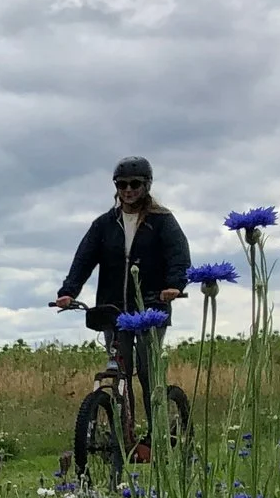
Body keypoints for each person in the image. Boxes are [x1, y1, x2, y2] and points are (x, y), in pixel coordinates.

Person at [52, 155, 189, 453]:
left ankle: (158, 438)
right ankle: (121, 439)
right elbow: (83, 259)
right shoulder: (103, 225)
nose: (128, 190)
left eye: (135, 184)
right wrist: (69, 291)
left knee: (146, 369)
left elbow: (179, 257)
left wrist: (174, 286)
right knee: (118, 369)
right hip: (113, 311)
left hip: (151, 309)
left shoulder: (162, 221)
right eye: (122, 184)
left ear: (146, 185)